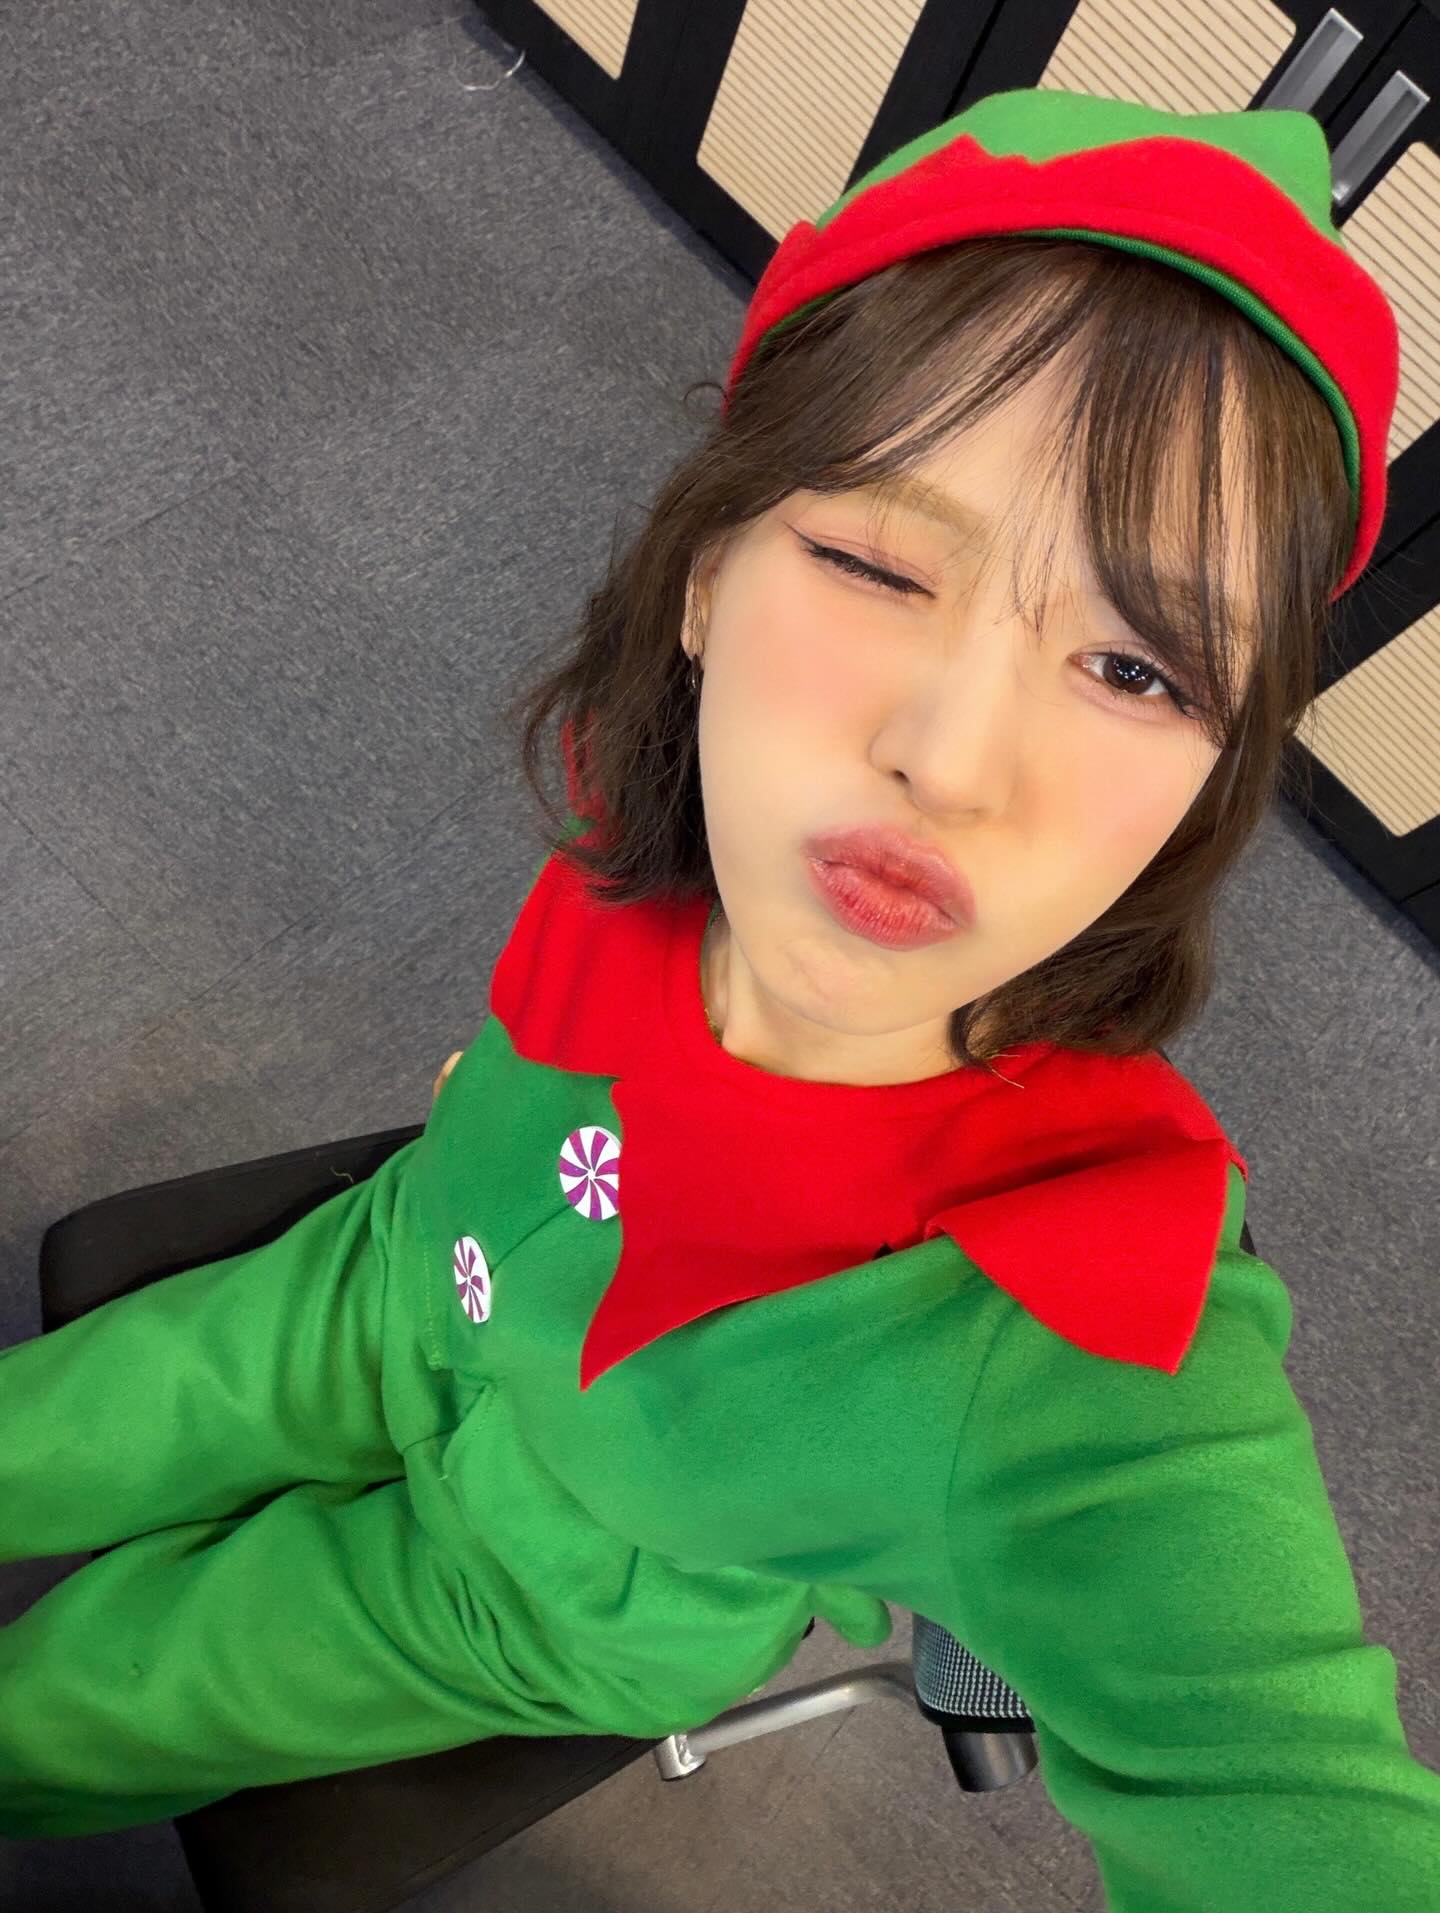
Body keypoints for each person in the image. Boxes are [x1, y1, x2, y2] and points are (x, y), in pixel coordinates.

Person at [3, 84, 1439, 1908]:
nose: (946, 758)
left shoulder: (1079, 1336)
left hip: (550, 1582)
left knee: (67, 1708)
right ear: (705, 580)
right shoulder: (663, 822)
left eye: (1135, 669)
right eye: (875, 563)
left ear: (1209, 783)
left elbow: (1294, 1803)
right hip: (395, 1272)